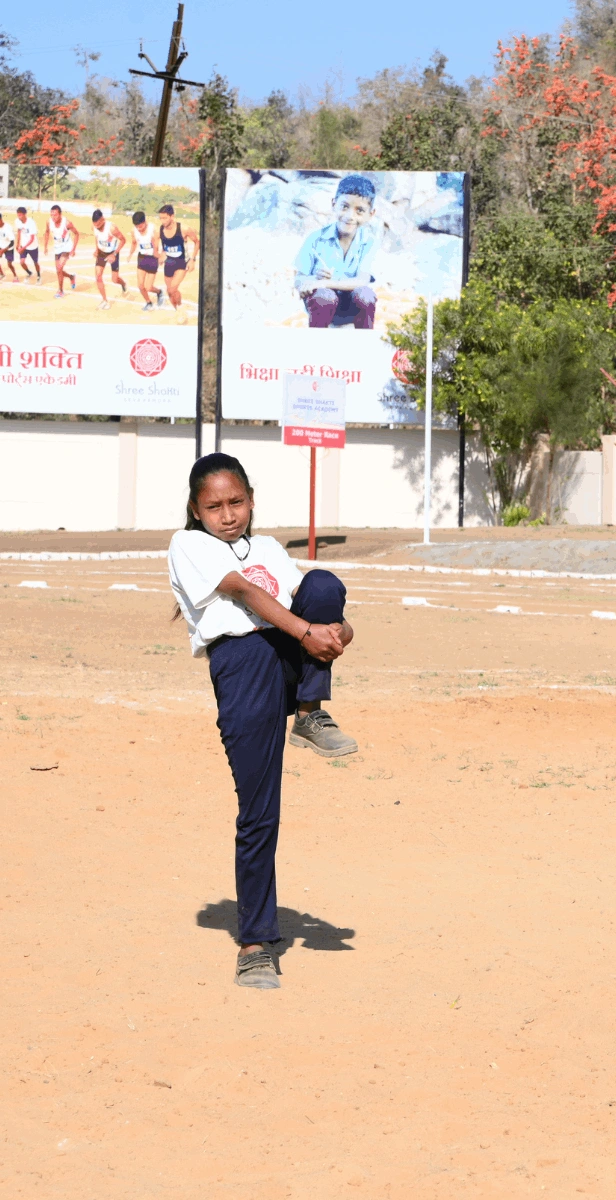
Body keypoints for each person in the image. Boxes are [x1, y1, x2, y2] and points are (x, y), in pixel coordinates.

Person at [168, 454, 361, 988]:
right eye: (214, 506)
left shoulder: (271, 548)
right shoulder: (188, 545)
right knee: (259, 813)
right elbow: (242, 590)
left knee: (323, 583)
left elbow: (315, 609)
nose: (228, 515)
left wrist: (339, 633)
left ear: (251, 500)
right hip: (242, 666)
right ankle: (254, 944)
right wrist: (308, 633)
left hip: (288, 649)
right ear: (196, 509)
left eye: (236, 502)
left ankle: (310, 712)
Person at [294, 174, 379, 330]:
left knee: (366, 295)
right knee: (324, 296)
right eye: (344, 206)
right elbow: (299, 279)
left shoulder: (369, 242)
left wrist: (325, 282)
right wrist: (313, 280)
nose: (350, 216)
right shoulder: (315, 239)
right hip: (322, 303)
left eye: (359, 211)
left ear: (370, 214)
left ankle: (365, 340)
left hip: (352, 308)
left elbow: (362, 281)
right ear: (334, 204)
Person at [157, 204, 198, 319]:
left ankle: (180, 307)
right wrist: (162, 253)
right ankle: (179, 310)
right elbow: (165, 245)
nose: (162, 221)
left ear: (172, 216)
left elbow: (197, 242)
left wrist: (193, 260)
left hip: (181, 263)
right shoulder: (161, 229)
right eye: (161, 218)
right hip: (169, 263)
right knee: (170, 292)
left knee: (172, 289)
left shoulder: (184, 229)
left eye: (165, 218)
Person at [90, 209, 127, 309]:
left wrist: (114, 254)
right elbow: (96, 237)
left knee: (114, 279)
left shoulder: (112, 228)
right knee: (98, 276)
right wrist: (96, 249)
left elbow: (123, 240)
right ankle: (104, 300)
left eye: (99, 225)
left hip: (112, 253)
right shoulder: (94, 227)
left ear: (103, 219)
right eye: (96, 226)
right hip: (101, 253)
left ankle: (123, 283)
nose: (98, 227)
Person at [131, 210, 162, 309]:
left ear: (145, 222)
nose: (139, 229)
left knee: (148, 287)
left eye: (140, 226)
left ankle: (159, 292)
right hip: (142, 257)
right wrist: (130, 253)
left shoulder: (153, 229)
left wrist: (159, 255)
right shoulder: (134, 231)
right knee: (140, 286)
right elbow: (134, 242)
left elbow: (158, 243)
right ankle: (149, 302)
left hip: (152, 258)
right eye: (137, 226)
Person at [46, 204, 77, 297]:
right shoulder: (49, 222)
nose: (53, 217)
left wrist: (73, 249)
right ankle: (71, 277)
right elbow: (47, 232)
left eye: (55, 215)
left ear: (60, 214)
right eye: (51, 215)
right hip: (57, 247)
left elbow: (77, 234)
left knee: (59, 268)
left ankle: (60, 291)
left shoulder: (67, 223)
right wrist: (45, 246)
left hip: (66, 247)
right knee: (58, 270)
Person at [15, 206, 40, 282]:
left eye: (20, 215)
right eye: (18, 215)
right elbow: (19, 232)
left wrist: (23, 248)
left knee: (35, 262)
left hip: (33, 246)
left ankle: (39, 275)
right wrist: (17, 244)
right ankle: (29, 273)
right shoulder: (18, 221)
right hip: (23, 245)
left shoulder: (31, 223)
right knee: (22, 262)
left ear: (25, 214)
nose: (19, 217)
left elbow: (32, 239)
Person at [0, 214, 17, 281]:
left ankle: (15, 276)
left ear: (0, 219)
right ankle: (2, 274)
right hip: (1, 245)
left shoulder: (7, 228)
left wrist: (3, 250)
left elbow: (12, 243)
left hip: (8, 248)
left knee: (9, 264)